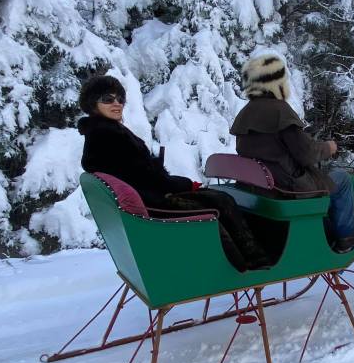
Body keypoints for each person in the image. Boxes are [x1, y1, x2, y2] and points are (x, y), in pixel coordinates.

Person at [77, 75, 270, 271]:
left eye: (120, 99)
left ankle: (249, 257)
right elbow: (146, 177)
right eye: (108, 100)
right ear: (93, 104)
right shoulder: (107, 136)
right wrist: (184, 184)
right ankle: (248, 262)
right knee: (222, 202)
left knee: (219, 198)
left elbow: (140, 174)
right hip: (154, 203)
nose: (117, 104)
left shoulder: (104, 132)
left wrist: (174, 182)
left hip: (151, 196)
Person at [230, 54, 354, 252]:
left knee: (327, 177)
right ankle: (346, 236)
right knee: (341, 179)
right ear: (275, 82)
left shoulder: (246, 113)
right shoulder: (279, 110)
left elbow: (277, 147)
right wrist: (328, 148)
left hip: (259, 188)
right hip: (287, 188)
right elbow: (305, 153)